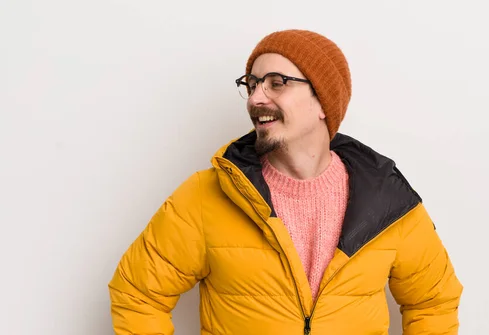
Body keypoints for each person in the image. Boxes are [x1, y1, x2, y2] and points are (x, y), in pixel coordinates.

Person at [108, 29, 463, 335]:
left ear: (323, 100)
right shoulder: (205, 196)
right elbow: (137, 294)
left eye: (277, 83)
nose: (256, 98)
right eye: (251, 84)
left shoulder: (388, 201)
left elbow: (434, 302)